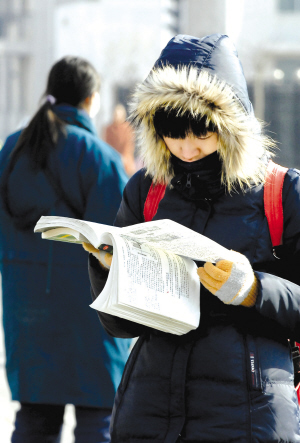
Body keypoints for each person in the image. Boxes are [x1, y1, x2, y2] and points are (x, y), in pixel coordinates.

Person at [83, 34, 300, 443]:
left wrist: (254, 288)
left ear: (230, 122)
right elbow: (119, 325)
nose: (186, 147)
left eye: (201, 130)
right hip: (150, 412)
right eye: (171, 130)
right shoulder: (146, 191)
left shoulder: (282, 194)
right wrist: (107, 270)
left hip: (248, 416)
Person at [0, 56, 132, 443]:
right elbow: (117, 242)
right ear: (91, 100)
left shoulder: (11, 150)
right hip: (89, 313)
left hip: (27, 311)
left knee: (35, 419)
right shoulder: (100, 158)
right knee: (98, 419)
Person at [103, 103, 137, 176]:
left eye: (118, 114)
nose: (116, 116)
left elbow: (129, 145)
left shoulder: (128, 128)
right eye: (115, 114)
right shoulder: (108, 129)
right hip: (112, 161)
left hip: (126, 162)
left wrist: (123, 158)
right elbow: (107, 145)